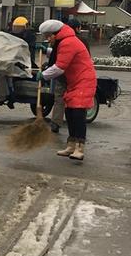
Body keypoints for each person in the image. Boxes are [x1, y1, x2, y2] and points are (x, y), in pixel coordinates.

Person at [39, 19, 96, 161]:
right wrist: (47, 51)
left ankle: (79, 148)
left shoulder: (68, 42)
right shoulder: (65, 41)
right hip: (74, 82)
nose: (47, 39)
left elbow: (59, 67)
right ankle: (71, 145)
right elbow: (61, 55)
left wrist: (43, 75)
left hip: (83, 81)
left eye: (48, 36)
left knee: (78, 114)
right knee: (70, 113)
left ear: (55, 33)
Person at [50, 18, 91, 133]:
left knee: (59, 99)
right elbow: (86, 59)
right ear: (78, 28)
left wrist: (48, 71)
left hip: (61, 75)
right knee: (76, 103)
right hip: (77, 78)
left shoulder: (60, 40)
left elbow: (54, 58)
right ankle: (75, 128)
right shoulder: (83, 40)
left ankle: (56, 122)